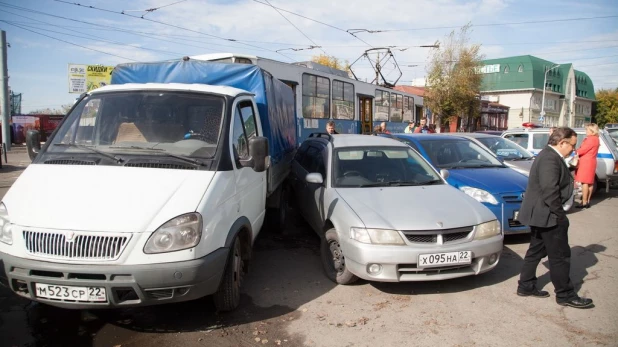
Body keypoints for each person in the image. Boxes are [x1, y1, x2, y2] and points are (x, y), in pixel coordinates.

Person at [516, 127, 593, 309]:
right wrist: (560, 215)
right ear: (562, 142)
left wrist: (571, 167)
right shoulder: (549, 158)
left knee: (535, 251)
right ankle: (565, 294)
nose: (574, 149)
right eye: (572, 145)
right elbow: (549, 190)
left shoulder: (551, 156)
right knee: (560, 256)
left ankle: (526, 285)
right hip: (548, 215)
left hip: (542, 214)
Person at [575, 123, 600, 208]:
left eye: (587, 129)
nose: (586, 131)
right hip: (592, 161)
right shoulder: (596, 139)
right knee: (590, 182)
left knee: (584, 182)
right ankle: (588, 201)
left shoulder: (590, 139)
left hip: (586, 162)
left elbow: (582, 150)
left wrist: (575, 151)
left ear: (592, 131)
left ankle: (584, 202)